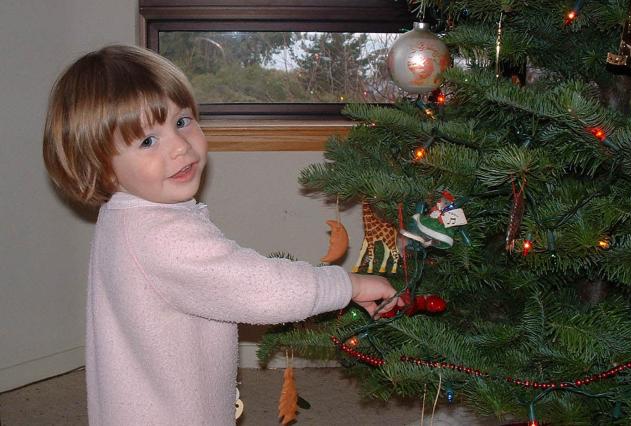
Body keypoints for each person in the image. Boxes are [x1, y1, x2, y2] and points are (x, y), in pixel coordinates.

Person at [42, 44, 402, 425]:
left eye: (181, 122)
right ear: (104, 170)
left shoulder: (122, 216)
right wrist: (350, 285)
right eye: (148, 141)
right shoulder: (162, 237)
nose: (180, 147)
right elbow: (264, 288)